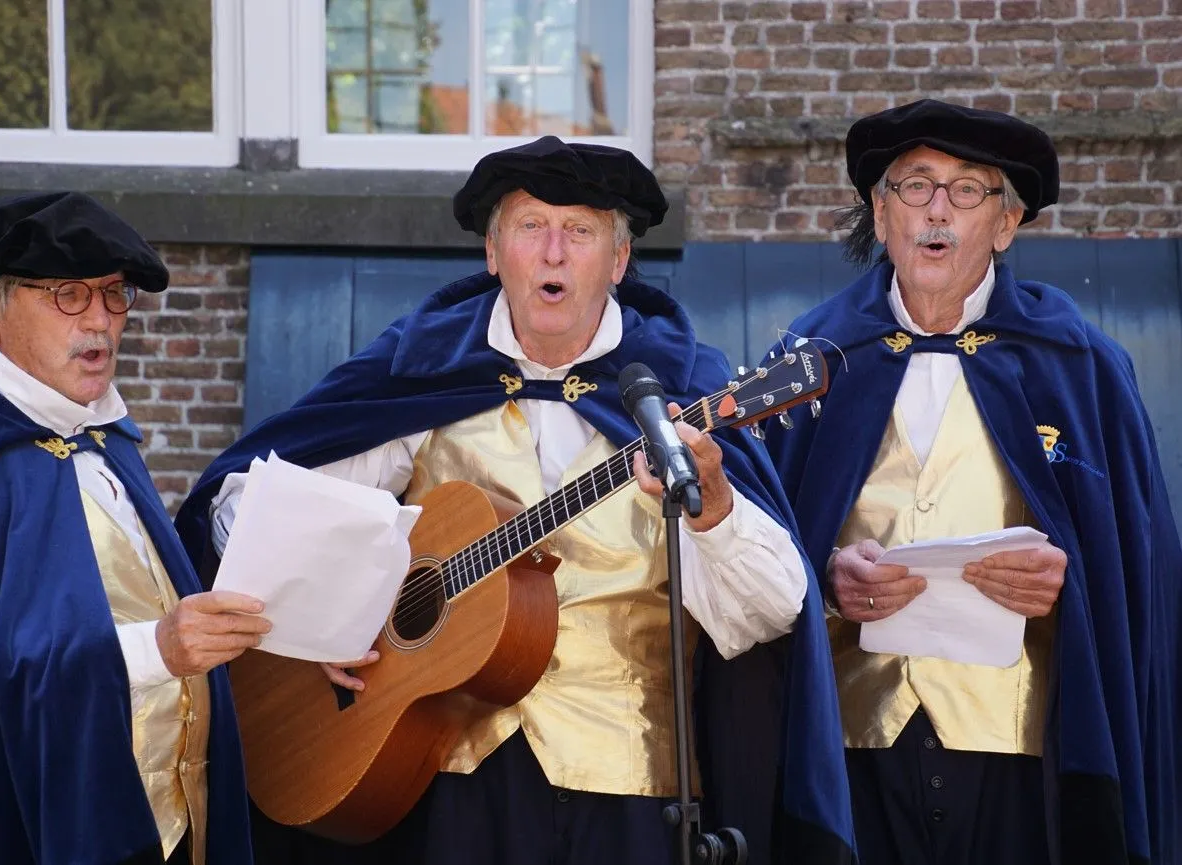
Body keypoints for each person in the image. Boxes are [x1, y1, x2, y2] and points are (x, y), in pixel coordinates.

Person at [175, 136, 854, 865]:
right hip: (446, 779)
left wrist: (713, 507)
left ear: (619, 261)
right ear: (495, 253)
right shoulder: (424, 373)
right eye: (531, 227)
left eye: (581, 231)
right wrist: (325, 619)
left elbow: (772, 613)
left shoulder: (682, 391)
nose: (554, 252)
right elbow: (248, 504)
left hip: (629, 788)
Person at [764, 99, 1182, 865]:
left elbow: (1139, 569)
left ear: (1005, 223)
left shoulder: (1079, 365)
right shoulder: (809, 362)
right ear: (881, 213)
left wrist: (1069, 582)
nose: (938, 211)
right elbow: (756, 555)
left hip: (1021, 749)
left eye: (966, 191)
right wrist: (825, 579)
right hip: (853, 747)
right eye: (915, 186)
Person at [0, 192, 269, 865]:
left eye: (113, 294)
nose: (100, 322)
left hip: (179, 826)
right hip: (38, 828)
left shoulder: (104, 439)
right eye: (68, 295)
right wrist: (157, 650)